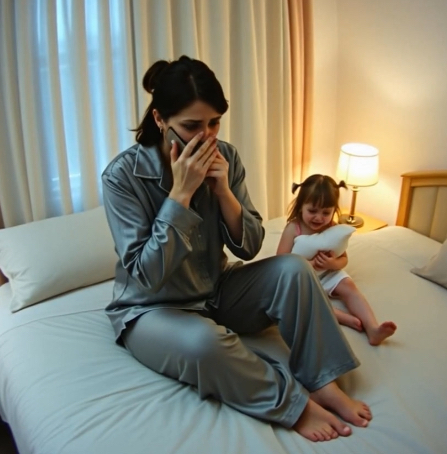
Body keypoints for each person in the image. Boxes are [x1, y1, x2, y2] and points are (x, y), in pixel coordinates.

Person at [102, 55, 372, 442]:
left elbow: (251, 248)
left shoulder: (226, 156)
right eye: (191, 126)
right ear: (160, 119)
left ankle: (323, 380)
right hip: (151, 308)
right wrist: (180, 195)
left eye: (214, 123)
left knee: (294, 269)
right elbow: (146, 275)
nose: (206, 137)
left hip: (217, 288)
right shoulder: (121, 177)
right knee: (204, 343)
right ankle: (293, 404)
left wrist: (224, 192)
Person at [276, 174, 397, 346]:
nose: (319, 218)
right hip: (302, 278)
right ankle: (343, 317)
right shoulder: (293, 228)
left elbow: (344, 259)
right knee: (303, 300)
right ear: (301, 206)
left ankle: (372, 328)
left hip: (327, 273)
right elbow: (280, 261)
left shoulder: (332, 228)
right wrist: (309, 265)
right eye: (312, 211)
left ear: (334, 210)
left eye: (326, 212)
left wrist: (332, 264)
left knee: (349, 286)